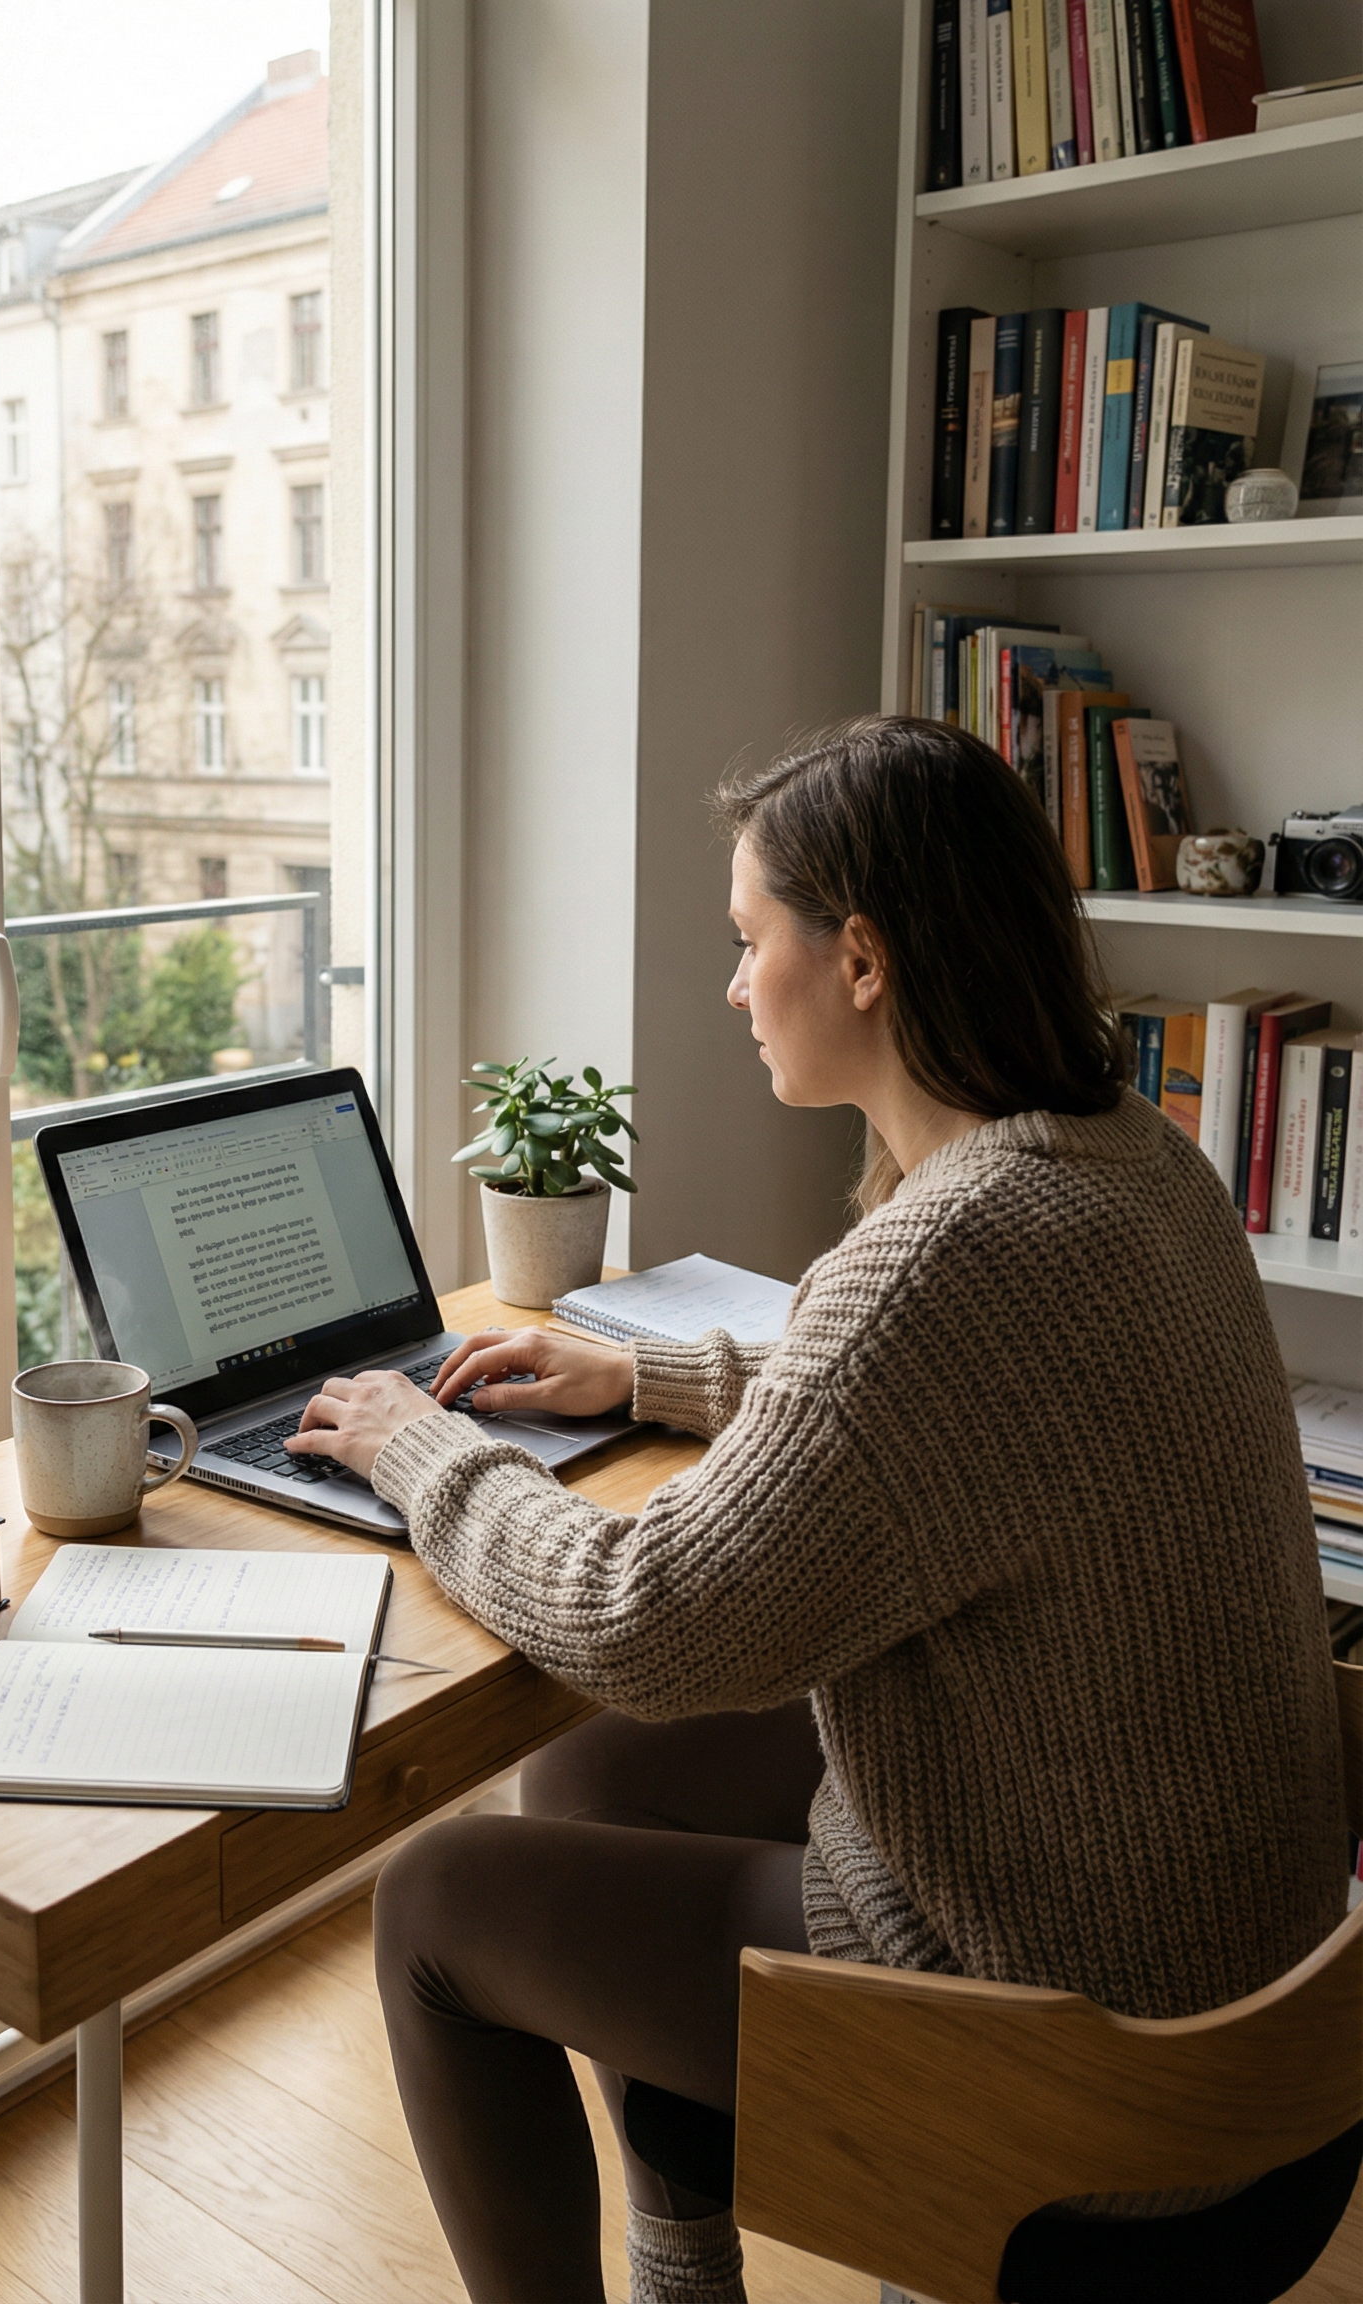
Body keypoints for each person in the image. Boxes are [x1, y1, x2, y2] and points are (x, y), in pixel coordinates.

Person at [284, 715, 1348, 2304]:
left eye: (747, 939)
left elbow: (637, 1623)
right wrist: (641, 1380)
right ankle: (682, 2263)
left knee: (437, 1907)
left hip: (1091, 2102)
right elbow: (947, 1423)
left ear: (860, 958)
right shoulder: (1132, 1158)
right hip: (1268, 2040)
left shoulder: (944, 1259)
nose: (730, 985)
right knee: (579, 1762)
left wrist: (417, 1451)